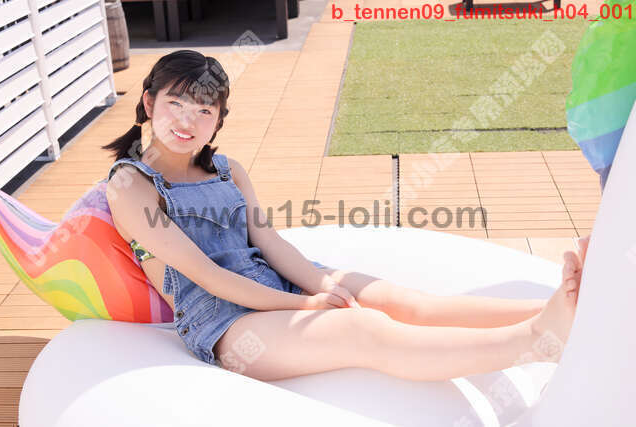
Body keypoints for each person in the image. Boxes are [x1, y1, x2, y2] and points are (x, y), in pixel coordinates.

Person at [103, 50, 587, 382]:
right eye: (175, 104)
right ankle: (536, 340)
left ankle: (570, 315)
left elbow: (271, 244)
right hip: (225, 323)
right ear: (148, 103)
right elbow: (207, 275)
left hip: (274, 283)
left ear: (218, 121)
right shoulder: (132, 186)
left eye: (204, 111)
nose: (187, 121)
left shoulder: (229, 170)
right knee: (364, 329)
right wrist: (306, 307)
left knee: (402, 302)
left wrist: (320, 285)